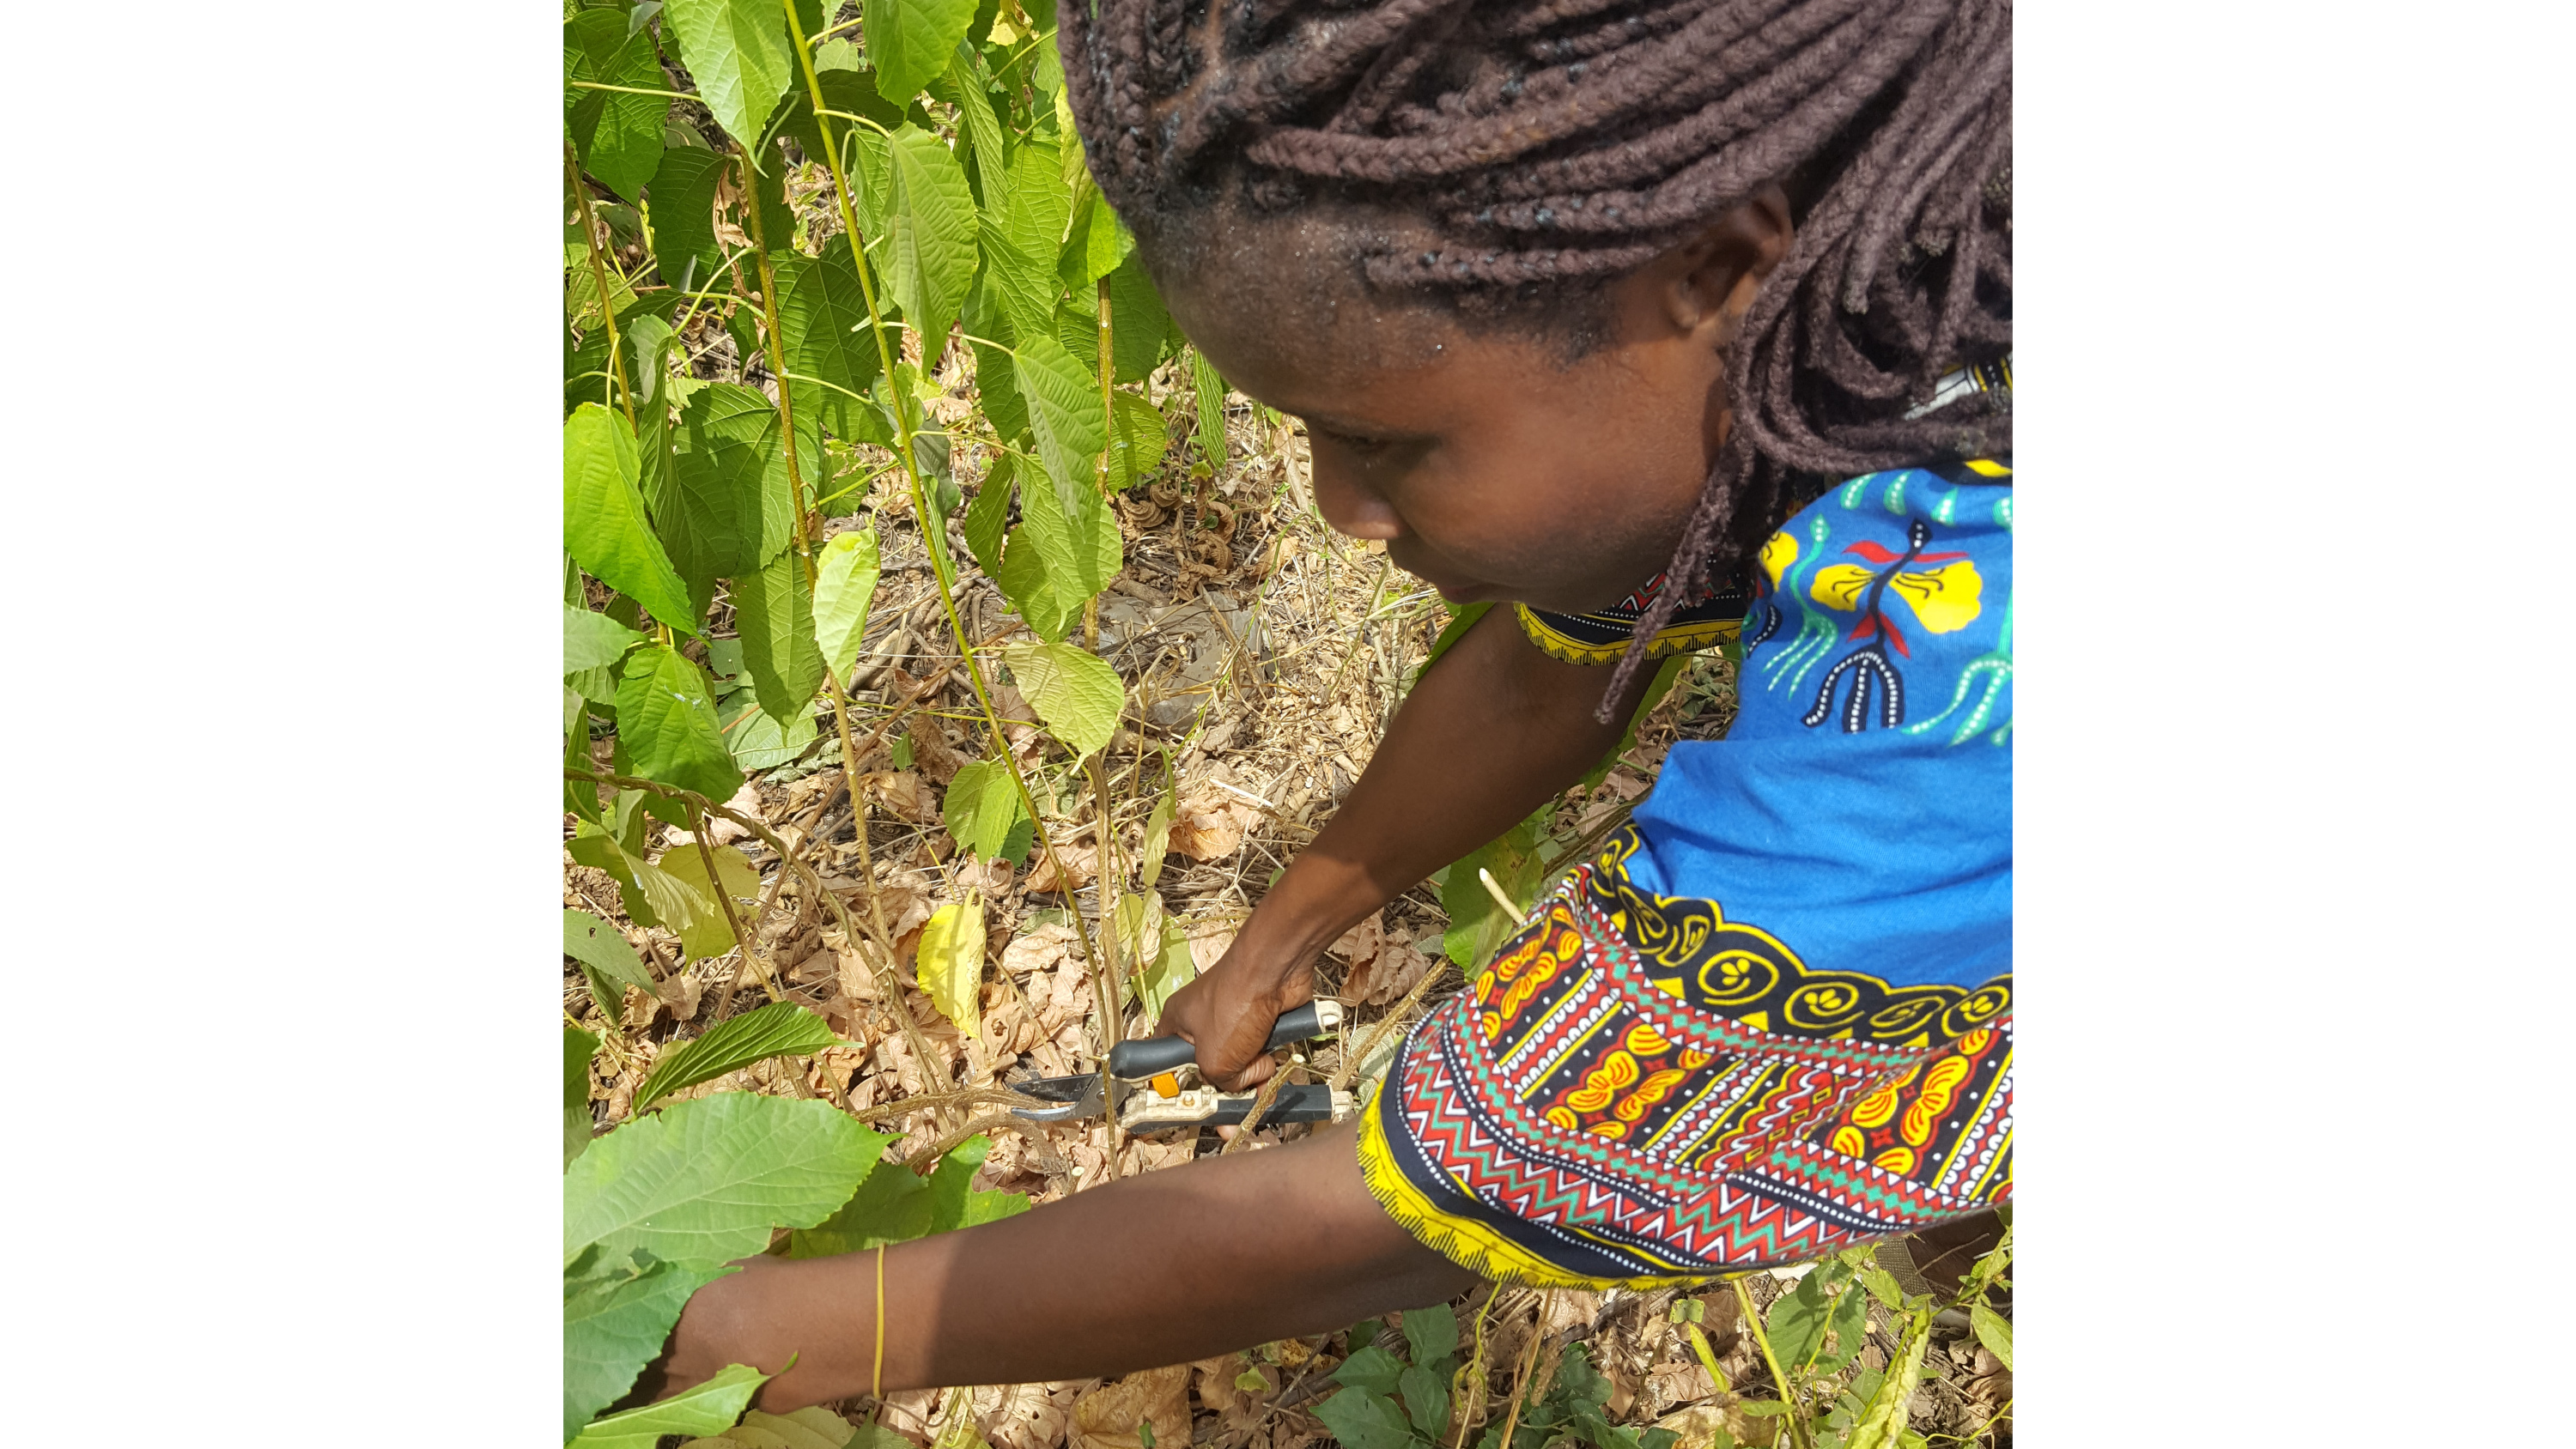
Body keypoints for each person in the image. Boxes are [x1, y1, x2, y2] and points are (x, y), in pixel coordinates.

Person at [651, 0, 2011, 1403]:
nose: (1338, 510)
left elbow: (1409, 1213)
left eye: (1379, 441)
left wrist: (746, 1341)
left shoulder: (1957, 704)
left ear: (1715, 265)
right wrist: (1273, 949)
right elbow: (1555, 667)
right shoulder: (1837, 331)